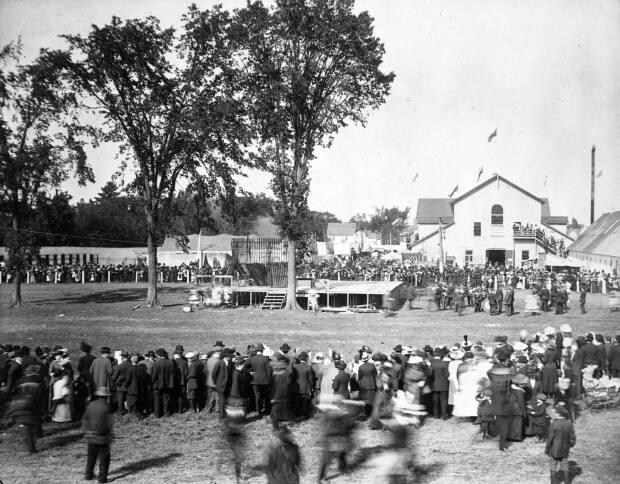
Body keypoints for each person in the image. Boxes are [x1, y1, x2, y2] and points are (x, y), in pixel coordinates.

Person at [7, 365, 46, 453]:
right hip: (30, 405)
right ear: (36, 372)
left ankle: (31, 446)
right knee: (33, 421)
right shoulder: (39, 380)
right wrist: (44, 409)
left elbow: (13, 393)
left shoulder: (20, 381)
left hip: (17, 405)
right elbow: (42, 395)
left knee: (24, 425)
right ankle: (37, 435)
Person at [82, 392, 113, 483]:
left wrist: (86, 431)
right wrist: (110, 434)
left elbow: (85, 419)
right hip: (103, 437)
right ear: (105, 396)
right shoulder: (107, 407)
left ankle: (88, 475)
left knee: (91, 457)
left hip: (91, 436)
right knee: (104, 459)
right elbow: (109, 423)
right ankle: (102, 478)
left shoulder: (90, 405)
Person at [545, 406, 576, 484]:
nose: (554, 414)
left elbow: (550, 439)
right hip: (565, 449)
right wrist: (569, 445)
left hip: (554, 450)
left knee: (553, 466)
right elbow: (572, 438)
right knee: (565, 466)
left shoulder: (553, 424)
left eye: (554, 412)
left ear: (557, 414)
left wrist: (547, 450)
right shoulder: (569, 424)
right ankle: (567, 482)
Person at [151, 348, 175, 418]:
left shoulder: (156, 363)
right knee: (166, 400)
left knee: (157, 400)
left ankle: (157, 414)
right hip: (168, 384)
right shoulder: (170, 362)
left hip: (158, 385)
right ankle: (166, 414)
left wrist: (152, 382)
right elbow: (173, 374)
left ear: (159, 355)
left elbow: (154, 376)